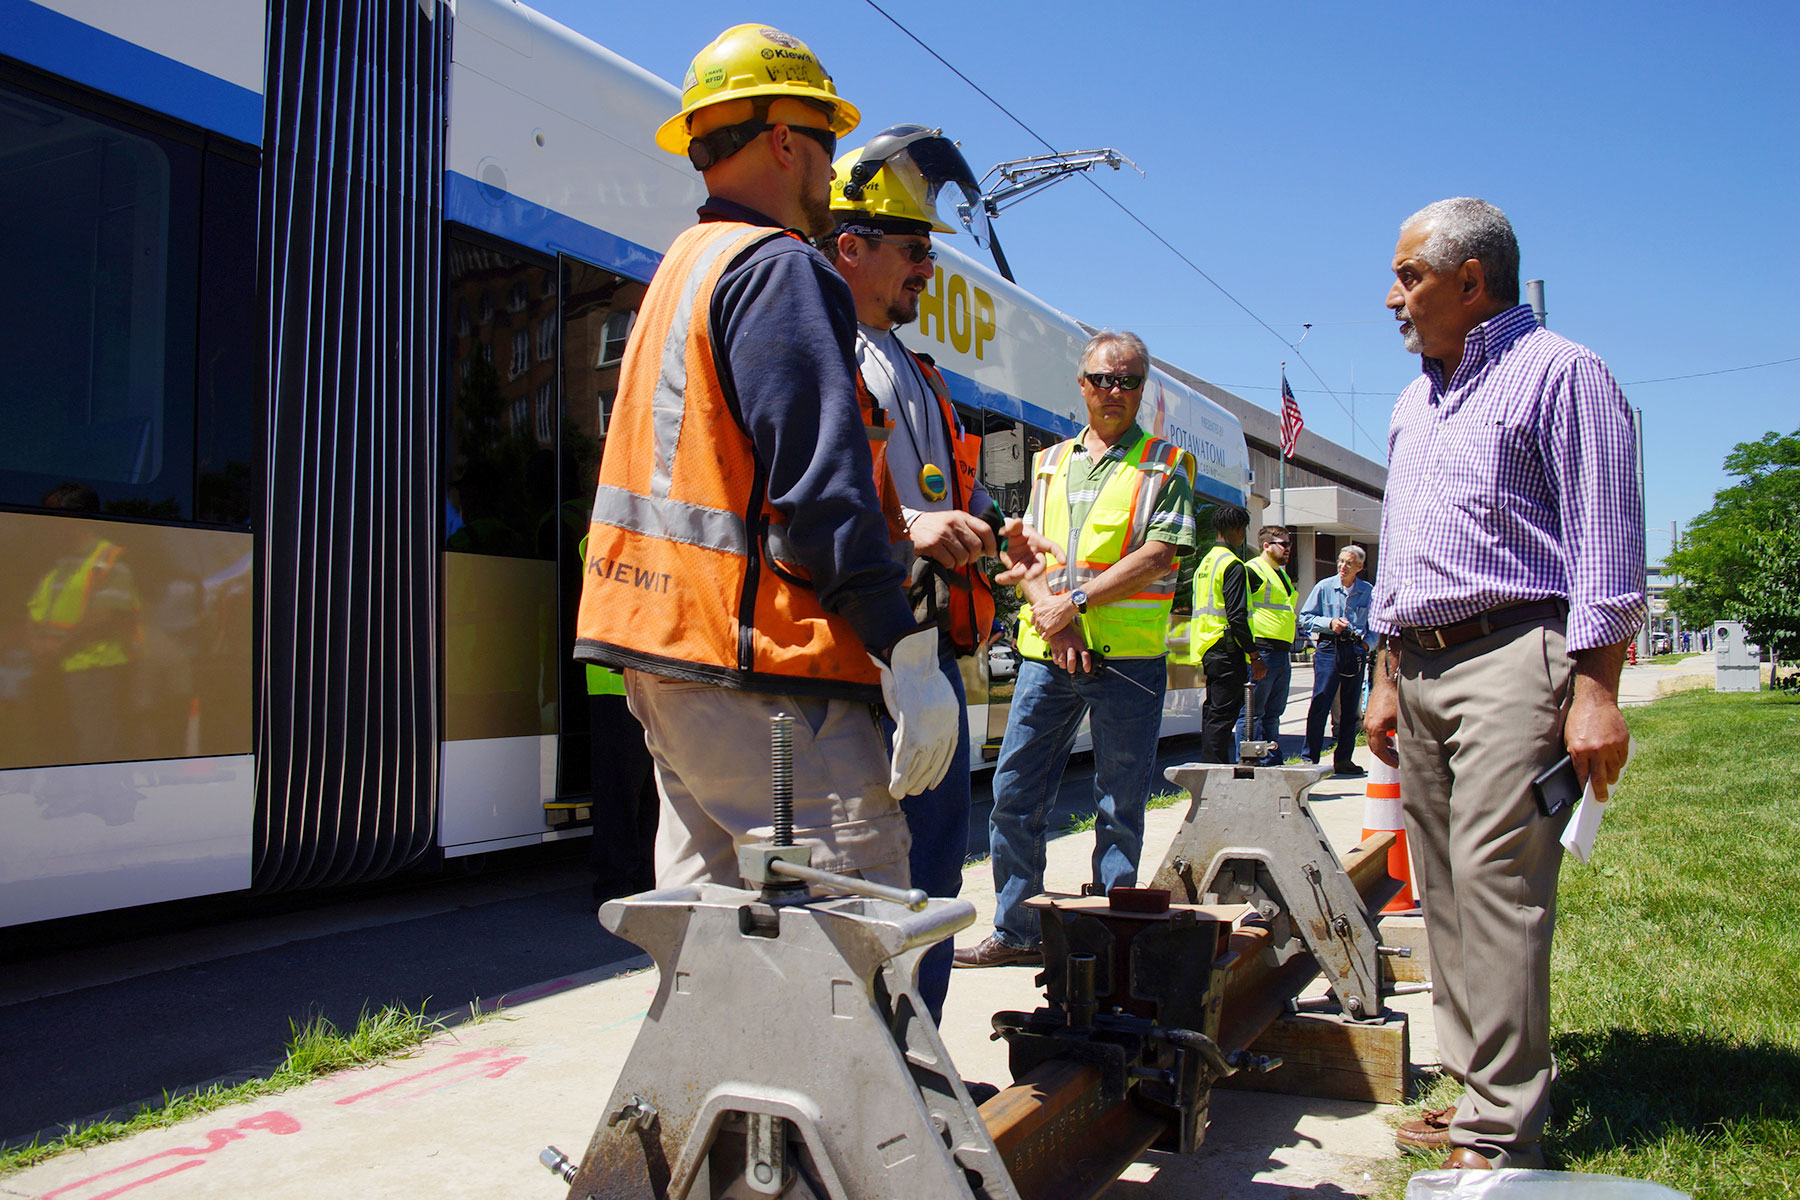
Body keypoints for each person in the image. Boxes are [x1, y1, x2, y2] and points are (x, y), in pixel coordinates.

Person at [573, 24, 961, 893]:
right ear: (785, 139)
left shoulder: (685, 264)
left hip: (666, 658)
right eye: (826, 142)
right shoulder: (780, 268)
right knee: (863, 917)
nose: (833, 169)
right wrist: (901, 648)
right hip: (762, 669)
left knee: (712, 941)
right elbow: (823, 489)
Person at [1364, 198, 1644, 1170]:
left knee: (1497, 888)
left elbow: (1606, 547)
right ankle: (1480, 1089)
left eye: (1408, 277)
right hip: (1426, 670)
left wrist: (1596, 692)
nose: (1391, 296)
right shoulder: (1412, 404)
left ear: (1470, 281)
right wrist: (1389, 675)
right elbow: (1402, 553)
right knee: (1443, 893)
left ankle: (1500, 1135)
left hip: (1515, 660)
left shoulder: (1562, 376)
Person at [819, 127, 999, 1017]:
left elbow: (935, 487)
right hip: (866, 649)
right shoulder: (822, 347)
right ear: (851, 246)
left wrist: (995, 533)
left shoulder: (917, 370)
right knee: (877, 870)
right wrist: (913, 525)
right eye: (915, 248)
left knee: (934, 865)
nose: (929, 267)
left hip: (926, 644)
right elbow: (821, 495)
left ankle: (916, 1053)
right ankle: (878, 1063)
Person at [954, 331, 1198, 968]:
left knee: (1119, 803)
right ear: (1081, 384)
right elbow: (1026, 549)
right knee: (1014, 790)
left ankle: (1110, 939)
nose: (1111, 391)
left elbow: (1161, 554)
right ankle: (1017, 930)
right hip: (1047, 652)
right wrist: (1051, 616)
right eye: (1099, 379)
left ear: (1142, 389)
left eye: (1126, 381)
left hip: (1127, 656)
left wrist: (1077, 604)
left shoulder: (1165, 463)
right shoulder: (1050, 462)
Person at [1192, 503, 1264, 764]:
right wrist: (1254, 655)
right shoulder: (1233, 565)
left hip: (1208, 646)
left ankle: (1210, 765)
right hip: (1227, 648)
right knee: (1223, 715)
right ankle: (1215, 769)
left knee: (1213, 712)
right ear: (1237, 529)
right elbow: (1237, 616)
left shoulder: (1206, 562)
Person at [1298, 544, 1372, 776]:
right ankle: (1310, 758)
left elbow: (1377, 624)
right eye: (1340, 561)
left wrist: (1367, 644)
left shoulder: (1368, 591)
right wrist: (1329, 623)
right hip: (1329, 648)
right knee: (1321, 701)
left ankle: (1344, 759)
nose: (1342, 566)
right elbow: (1305, 618)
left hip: (1354, 650)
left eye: (1349, 563)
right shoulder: (1324, 587)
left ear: (1359, 567)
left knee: (1350, 708)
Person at [1239, 525, 1299, 766]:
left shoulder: (1281, 575)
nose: (1288, 549)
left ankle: (1272, 763)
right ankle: (1250, 765)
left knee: (1273, 714)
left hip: (1281, 652)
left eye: (1289, 545)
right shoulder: (1252, 570)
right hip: (1263, 649)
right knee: (1253, 713)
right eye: (1283, 544)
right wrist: (1253, 655)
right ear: (1266, 545)